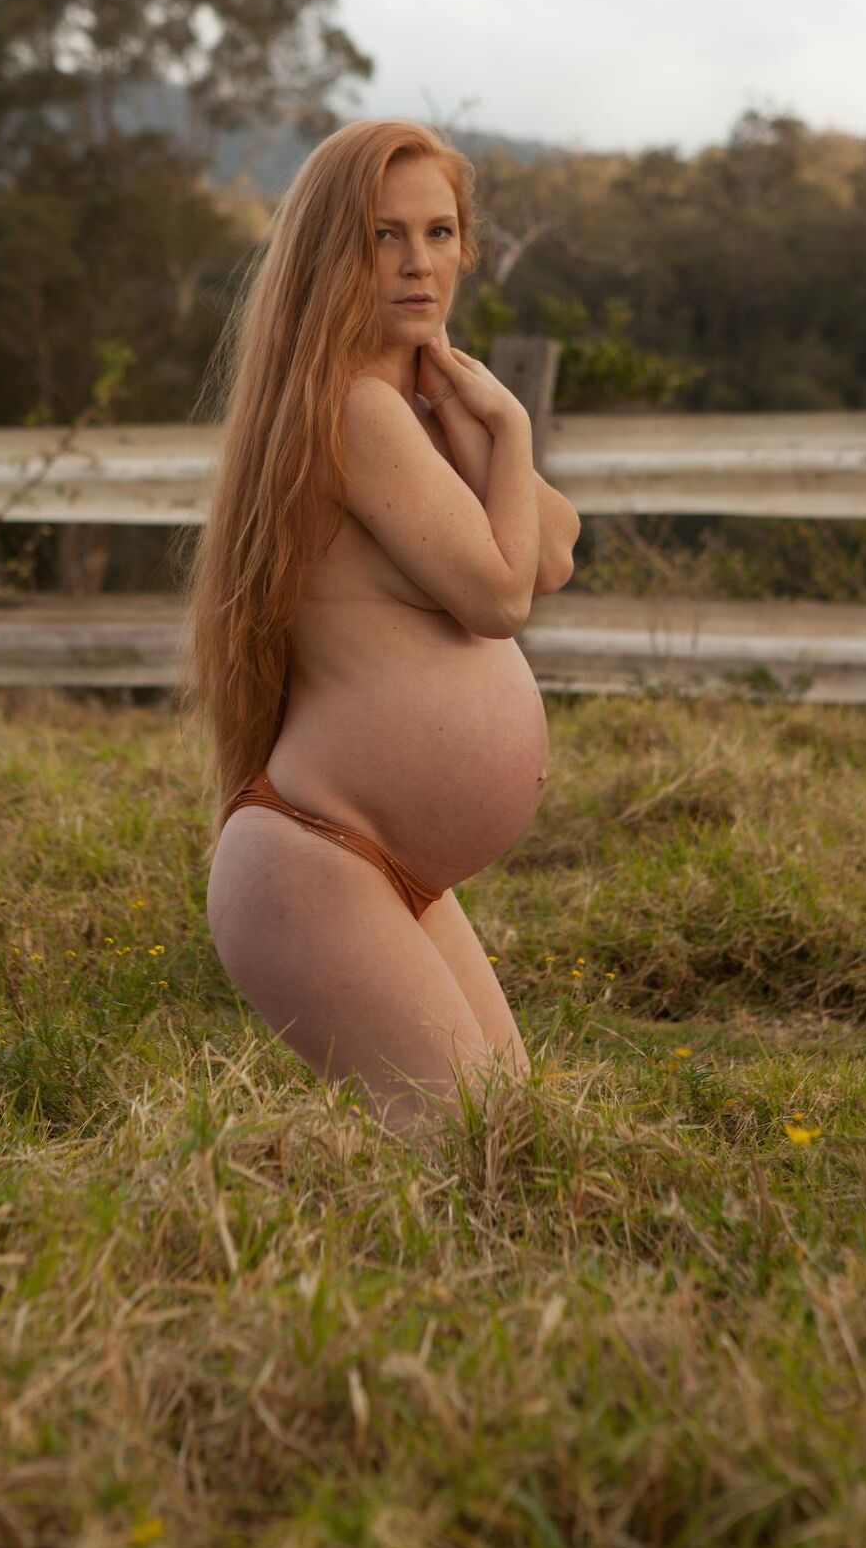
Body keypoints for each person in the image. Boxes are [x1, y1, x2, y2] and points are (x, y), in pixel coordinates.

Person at [178, 119, 580, 1138]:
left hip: (377, 863)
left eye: (439, 232)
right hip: (321, 858)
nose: (417, 262)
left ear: (466, 246)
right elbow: (500, 596)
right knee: (472, 1153)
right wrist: (515, 427)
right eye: (381, 235)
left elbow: (555, 550)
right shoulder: (357, 406)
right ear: (331, 252)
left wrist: (471, 419)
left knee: (511, 1144)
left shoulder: (409, 400)